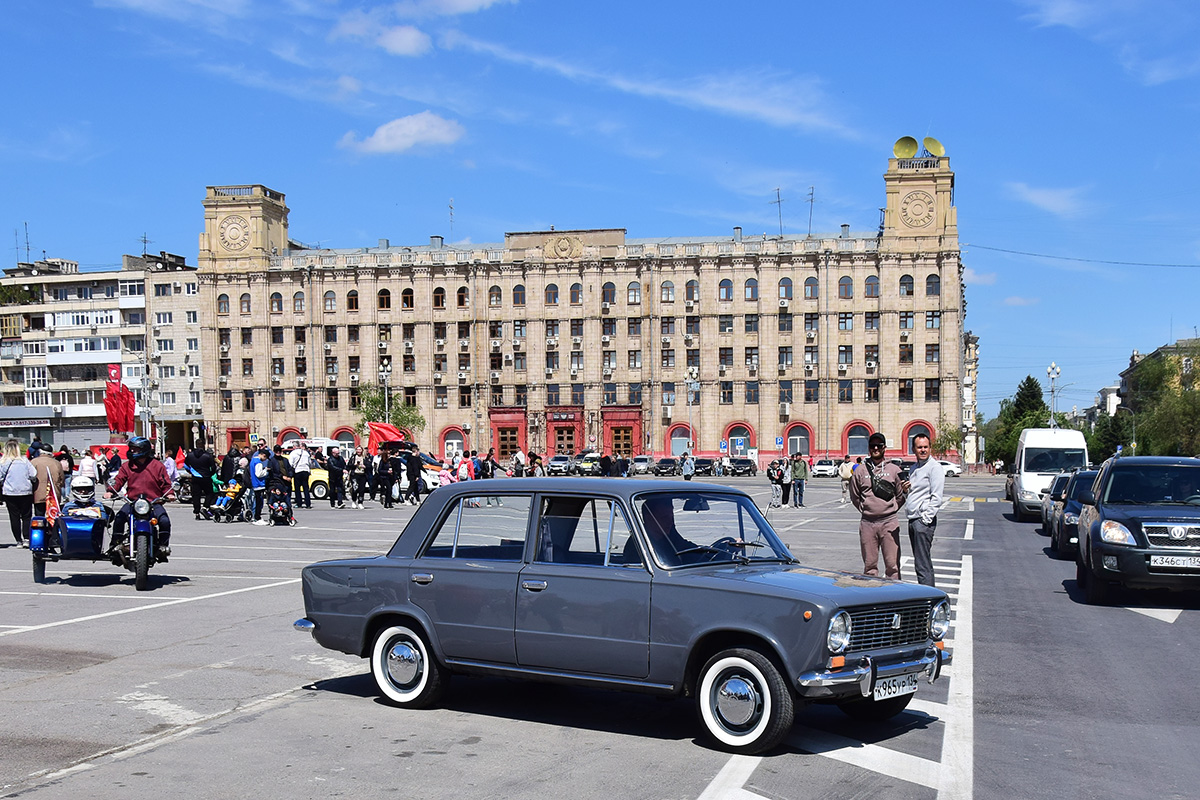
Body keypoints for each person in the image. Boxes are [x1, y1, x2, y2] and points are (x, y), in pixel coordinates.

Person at [849, 433, 906, 581]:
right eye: (872, 445)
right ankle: (872, 599)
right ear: (868, 448)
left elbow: (901, 496)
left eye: (879, 445)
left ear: (884, 448)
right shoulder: (860, 471)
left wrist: (890, 509)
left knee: (893, 566)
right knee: (870, 567)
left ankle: (894, 598)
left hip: (889, 523)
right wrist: (866, 508)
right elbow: (854, 495)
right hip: (868, 523)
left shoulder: (894, 470)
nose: (875, 448)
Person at [106, 436, 174, 561]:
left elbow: (166, 483)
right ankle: (115, 545)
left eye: (136, 449)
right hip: (132, 501)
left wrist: (170, 494)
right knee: (119, 518)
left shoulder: (157, 465)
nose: (132, 451)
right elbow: (119, 480)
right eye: (131, 449)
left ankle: (163, 547)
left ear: (144, 449)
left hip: (153, 502)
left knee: (164, 521)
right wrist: (111, 491)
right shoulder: (127, 466)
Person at [904, 433, 944, 587]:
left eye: (925, 447)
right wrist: (905, 489)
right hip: (913, 519)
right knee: (919, 562)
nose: (923, 450)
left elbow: (937, 497)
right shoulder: (914, 468)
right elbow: (915, 493)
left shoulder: (934, 468)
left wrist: (925, 520)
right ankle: (926, 593)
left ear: (930, 448)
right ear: (914, 449)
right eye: (919, 447)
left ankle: (929, 599)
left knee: (923, 564)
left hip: (922, 522)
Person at [1, 439, 37, 546]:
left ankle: (18, 540)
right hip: (25, 491)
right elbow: (33, 474)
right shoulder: (24, 461)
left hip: (10, 492)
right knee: (26, 516)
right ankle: (26, 537)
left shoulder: (3, 462)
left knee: (14, 517)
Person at [185, 444, 218, 520]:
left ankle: (197, 512)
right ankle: (205, 507)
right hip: (206, 476)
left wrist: (191, 471)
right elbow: (213, 467)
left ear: (196, 445)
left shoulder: (190, 455)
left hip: (195, 477)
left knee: (196, 495)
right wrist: (210, 474)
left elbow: (186, 465)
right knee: (210, 493)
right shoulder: (207, 455)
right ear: (203, 445)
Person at [32, 446, 66, 516]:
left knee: (39, 516)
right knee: (53, 516)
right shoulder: (56, 463)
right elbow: (62, 479)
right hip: (53, 493)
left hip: (38, 492)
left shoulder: (34, 462)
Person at [288, 444, 313, 508]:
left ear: (294, 447)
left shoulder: (293, 453)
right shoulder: (306, 453)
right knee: (306, 488)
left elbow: (290, 463)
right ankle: (308, 504)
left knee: (297, 489)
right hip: (305, 471)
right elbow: (310, 463)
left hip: (297, 471)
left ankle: (299, 503)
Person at [250, 449, 270, 525]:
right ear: (263, 455)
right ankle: (257, 518)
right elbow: (258, 474)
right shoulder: (258, 463)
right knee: (259, 502)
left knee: (257, 501)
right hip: (259, 484)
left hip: (255, 483)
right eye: (265, 458)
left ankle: (256, 517)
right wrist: (265, 471)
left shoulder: (253, 461)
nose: (265, 460)